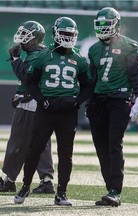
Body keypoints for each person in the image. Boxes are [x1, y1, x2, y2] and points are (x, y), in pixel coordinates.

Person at [13, 16, 92, 206]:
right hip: (46, 110)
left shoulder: (79, 59)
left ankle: (62, 193)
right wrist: (41, 101)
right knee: (34, 149)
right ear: (56, 34)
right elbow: (30, 82)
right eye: (64, 33)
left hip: (67, 112)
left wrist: (77, 101)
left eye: (71, 34)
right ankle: (25, 187)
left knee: (66, 153)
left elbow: (88, 86)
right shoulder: (43, 56)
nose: (68, 37)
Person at [86, 7, 138, 207]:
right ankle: (109, 188)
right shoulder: (94, 49)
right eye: (100, 24)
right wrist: (87, 101)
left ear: (116, 25)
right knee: (101, 146)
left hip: (119, 99)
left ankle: (115, 190)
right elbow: (92, 79)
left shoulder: (129, 46)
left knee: (114, 143)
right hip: (99, 101)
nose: (103, 28)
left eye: (106, 23)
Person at [0, 21, 55, 194]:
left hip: (30, 105)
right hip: (42, 105)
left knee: (18, 142)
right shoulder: (44, 53)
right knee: (42, 143)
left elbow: (26, 77)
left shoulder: (36, 56)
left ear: (34, 39)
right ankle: (46, 180)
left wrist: (16, 60)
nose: (22, 39)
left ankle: (9, 180)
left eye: (26, 35)